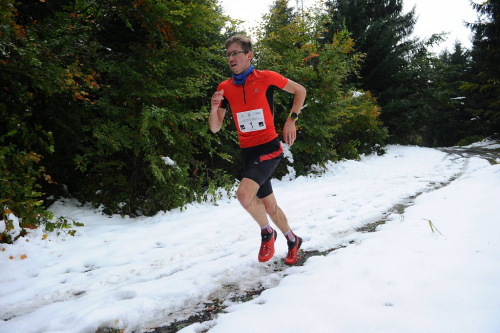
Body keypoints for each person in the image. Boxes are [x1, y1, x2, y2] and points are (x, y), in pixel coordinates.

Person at [209, 35, 307, 265]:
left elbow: (300, 91)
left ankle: (267, 233)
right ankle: (293, 240)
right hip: (248, 152)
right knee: (270, 206)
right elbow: (215, 128)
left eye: (235, 53)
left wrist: (291, 119)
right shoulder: (224, 88)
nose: (230, 58)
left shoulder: (266, 78)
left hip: (269, 146)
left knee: (244, 195)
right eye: (228, 54)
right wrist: (214, 109)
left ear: (249, 55)